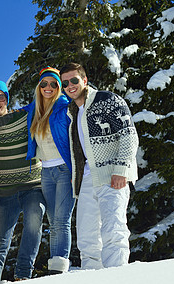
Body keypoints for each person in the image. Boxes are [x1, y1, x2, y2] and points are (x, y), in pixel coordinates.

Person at [60, 62, 138, 269]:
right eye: (65, 83)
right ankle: (92, 283)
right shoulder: (72, 112)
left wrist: (121, 170)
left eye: (74, 80)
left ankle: (116, 281)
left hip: (112, 174)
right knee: (87, 237)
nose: (70, 85)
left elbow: (129, 136)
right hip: (87, 178)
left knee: (114, 230)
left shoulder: (107, 99)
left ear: (84, 80)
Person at [0, 80, 45, 284]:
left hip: (32, 185)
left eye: (1, 97)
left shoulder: (23, 116)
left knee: (33, 225)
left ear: (7, 99)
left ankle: (23, 274)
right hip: (4, 192)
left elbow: (46, 101)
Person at [25, 67, 75, 274]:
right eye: (44, 84)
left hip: (64, 169)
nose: (48, 87)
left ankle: (59, 265)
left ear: (59, 87)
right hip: (45, 172)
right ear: (39, 87)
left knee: (62, 220)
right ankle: (56, 265)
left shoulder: (64, 106)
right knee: (53, 221)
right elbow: (18, 113)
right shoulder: (34, 110)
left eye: (53, 84)